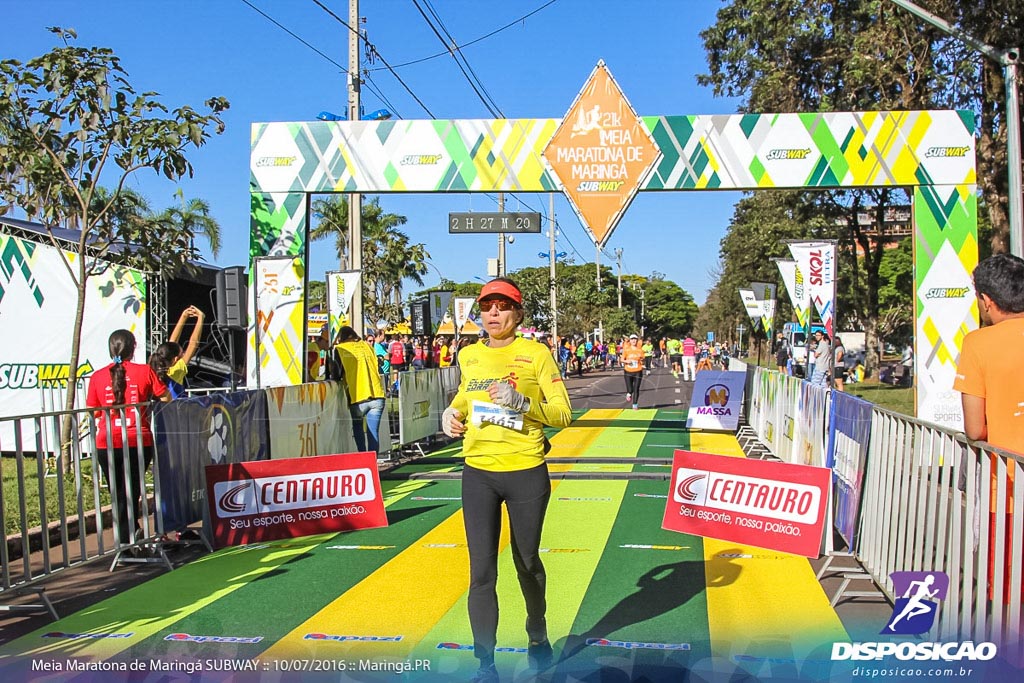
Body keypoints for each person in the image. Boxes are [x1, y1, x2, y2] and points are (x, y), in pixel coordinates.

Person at [440, 277, 571, 682]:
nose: (493, 314)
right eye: (487, 307)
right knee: (481, 572)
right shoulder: (469, 355)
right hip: (478, 471)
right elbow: (466, 395)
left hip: (525, 470)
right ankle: (486, 664)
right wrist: (450, 413)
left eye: (503, 306)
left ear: (518, 313)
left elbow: (563, 414)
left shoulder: (536, 354)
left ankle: (537, 632)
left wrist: (523, 403)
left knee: (526, 562)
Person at [954, 254, 1024, 604]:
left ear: (986, 300)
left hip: (1008, 488)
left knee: (1008, 589)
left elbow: (974, 428)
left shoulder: (977, 343)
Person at [86, 330, 170, 548]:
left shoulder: (97, 376)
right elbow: (166, 396)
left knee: (118, 492)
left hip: (107, 441)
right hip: (137, 439)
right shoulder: (144, 371)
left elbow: (94, 411)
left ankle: (126, 538)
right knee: (132, 489)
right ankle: (130, 537)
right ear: (134, 349)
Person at [334, 326, 387, 453]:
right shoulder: (367, 345)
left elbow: (336, 373)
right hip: (377, 394)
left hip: (358, 396)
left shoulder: (341, 349)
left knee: (358, 428)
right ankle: (373, 463)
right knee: (373, 432)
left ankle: (363, 460)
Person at [149, 305, 205, 398]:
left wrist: (183, 317)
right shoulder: (175, 371)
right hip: (175, 409)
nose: (183, 354)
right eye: (182, 353)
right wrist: (200, 318)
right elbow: (193, 344)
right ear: (175, 359)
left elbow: (171, 344)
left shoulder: (154, 370)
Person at [622, 333, 645, 410]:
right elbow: (622, 359)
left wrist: (642, 362)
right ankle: (629, 393)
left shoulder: (640, 350)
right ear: (630, 341)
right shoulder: (626, 350)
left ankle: (635, 404)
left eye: (635, 339)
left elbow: (642, 359)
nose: (633, 341)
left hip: (638, 371)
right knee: (630, 389)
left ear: (637, 341)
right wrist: (627, 361)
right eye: (632, 339)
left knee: (636, 388)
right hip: (628, 371)